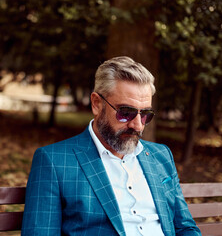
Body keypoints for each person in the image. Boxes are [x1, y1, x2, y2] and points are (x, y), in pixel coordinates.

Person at [21, 56, 201, 236]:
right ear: (97, 104)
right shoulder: (54, 161)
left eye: (145, 114)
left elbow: (185, 227)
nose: (138, 125)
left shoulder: (161, 155)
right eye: (125, 113)